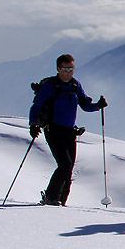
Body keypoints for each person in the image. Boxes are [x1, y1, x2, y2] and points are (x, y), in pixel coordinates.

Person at [28, 54, 107, 206]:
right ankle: (51, 198)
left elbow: (85, 105)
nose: (68, 72)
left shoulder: (75, 85)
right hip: (53, 129)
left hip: (69, 132)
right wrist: (33, 124)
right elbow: (37, 106)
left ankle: (60, 201)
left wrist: (98, 105)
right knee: (65, 164)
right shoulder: (50, 86)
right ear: (58, 69)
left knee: (68, 167)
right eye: (65, 69)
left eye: (71, 69)